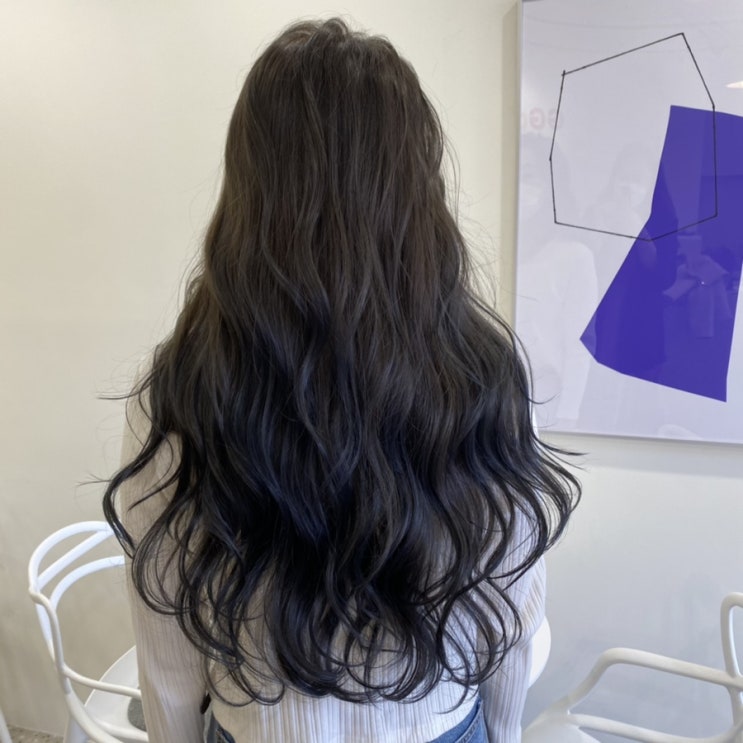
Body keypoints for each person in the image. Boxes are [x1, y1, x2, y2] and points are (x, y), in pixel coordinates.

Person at [103, 18, 580, 743]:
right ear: (416, 188)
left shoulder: (178, 393)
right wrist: (504, 731)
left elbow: (168, 657)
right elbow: (508, 621)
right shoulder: (485, 381)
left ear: (249, 186)